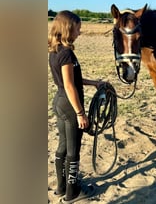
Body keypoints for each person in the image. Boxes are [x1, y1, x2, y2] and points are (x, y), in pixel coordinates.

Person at [48, 10, 102, 203]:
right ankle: (73, 192)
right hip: (70, 106)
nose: (80, 32)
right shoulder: (67, 53)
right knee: (73, 150)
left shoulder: (55, 51)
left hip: (60, 102)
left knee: (62, 146)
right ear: (69, 28)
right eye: (78, 28)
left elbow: (70, 80)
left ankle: (61, 187)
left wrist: (93, 82)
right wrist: (80, 113)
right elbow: (70, 85)